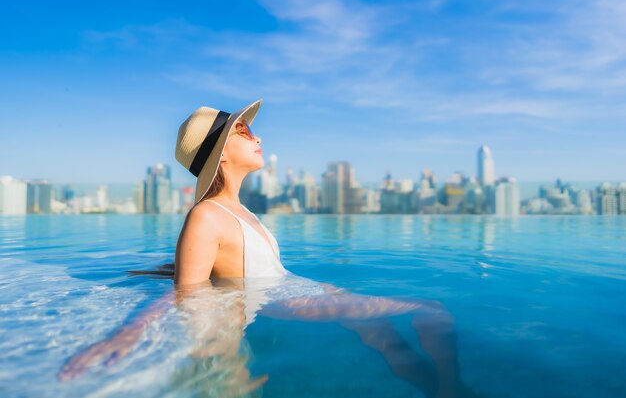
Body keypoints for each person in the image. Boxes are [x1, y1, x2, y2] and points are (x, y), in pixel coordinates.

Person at [59, 99, 480, 398]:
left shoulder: (241, 212)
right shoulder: (206, 215)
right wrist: (129, 332)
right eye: (243, 133)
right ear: (221, 157)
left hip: (306, 290)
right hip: (291, 299)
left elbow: (221, 266)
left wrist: (168, 266)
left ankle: (437, 389)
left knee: (383, 333)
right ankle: (451, 390)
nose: (256, 137)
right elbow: (189, 293)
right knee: (431, 309)